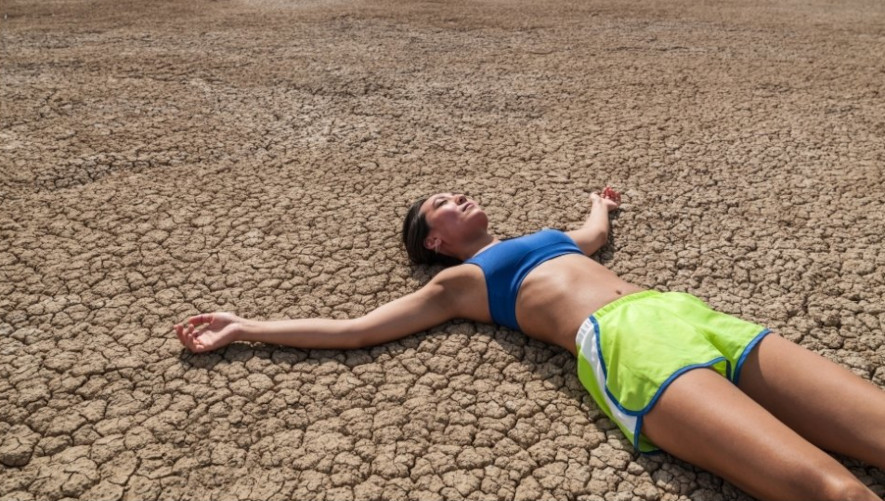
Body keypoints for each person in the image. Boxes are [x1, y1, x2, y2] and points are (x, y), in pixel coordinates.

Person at [175, 188, 884, 500]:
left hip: (687, 313)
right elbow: (357, 328)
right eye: (442, 204)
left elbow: (592, 238)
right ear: (434, 240)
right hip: (627, 344)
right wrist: (246, 324)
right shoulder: (462, 281)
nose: (459, 197)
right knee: (835, 490)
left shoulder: (541, 238)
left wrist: (600, 203)